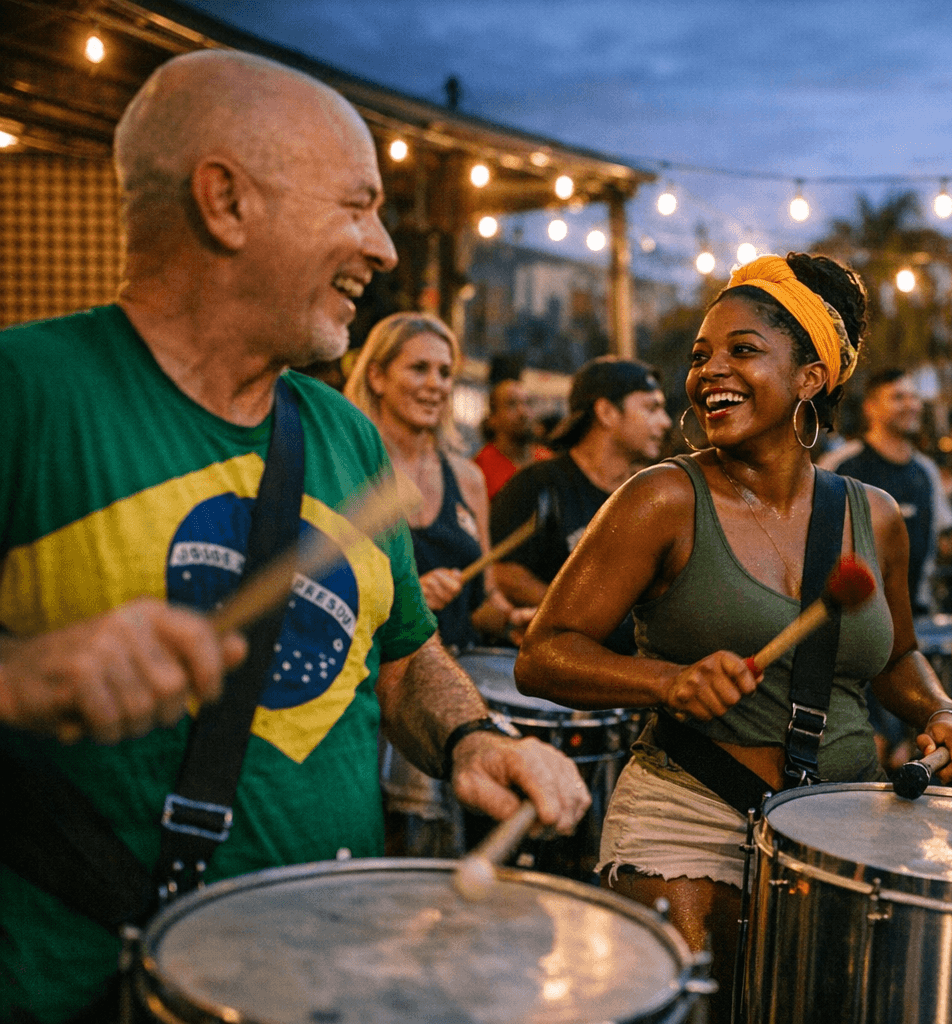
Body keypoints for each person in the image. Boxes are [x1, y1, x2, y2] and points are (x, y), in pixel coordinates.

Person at [0, 50, 588, 1023]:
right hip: (74, 985)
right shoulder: (28, 394)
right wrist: (22, 677)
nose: (385, 249)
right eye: (358, 206)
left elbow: (403, 659)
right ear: (227, 203)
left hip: (318, 979)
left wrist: (471, 738)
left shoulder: (345, 436)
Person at [514, 253, 952, 1011]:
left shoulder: (876, 516)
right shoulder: (662, 498)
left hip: (843, 820)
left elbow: (895, 654)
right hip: (689, 813)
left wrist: (942, 710)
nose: (710, 372)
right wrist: (668, 681)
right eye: (700, 355)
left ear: (810, 378)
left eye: (742, 350)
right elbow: (543, 655)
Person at [344, 311, 522, 651]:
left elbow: (483, 600)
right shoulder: (348, 468)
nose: (435, 384)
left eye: (444, 373)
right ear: (377, 377)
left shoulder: (468, 478)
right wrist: (406, 600)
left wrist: (513, 619)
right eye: (419, 368)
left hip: (457, 667)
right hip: (373, 667)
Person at [488, 356, 671, 652]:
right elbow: (503, 573)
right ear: (606, 412)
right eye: (651, 408)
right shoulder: (537, 484)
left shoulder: (651, 495)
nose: (665, 422)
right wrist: (578, 615)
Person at [818, 368, 952, 616]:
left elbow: (947, 527)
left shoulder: (926, 470)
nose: (911, 405)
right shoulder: (840, 466)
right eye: (898, 397)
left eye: (914, 397)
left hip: (915, 611)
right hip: (853, 616)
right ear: (871, 408)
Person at [474, 365, 550, 500]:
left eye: (527, 403)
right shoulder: (479, 469)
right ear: (492, 419)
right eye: (512, 404)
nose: (523, 412)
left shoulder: (547, 460)